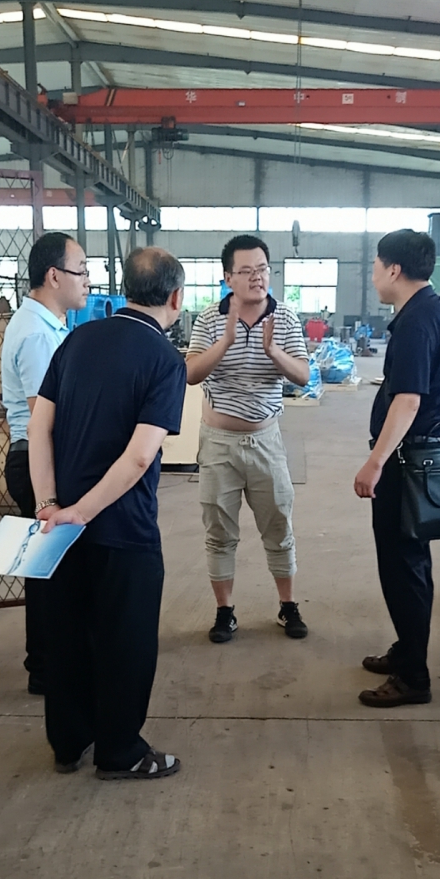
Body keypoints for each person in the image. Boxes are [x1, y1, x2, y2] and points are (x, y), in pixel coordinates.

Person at [28, 247, 186, 780]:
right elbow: (140, 456)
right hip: (123, 528)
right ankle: (120, 752)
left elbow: (38, 426)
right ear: (175, 298)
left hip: (60, 529)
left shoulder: (77, 340)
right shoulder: (165, 359)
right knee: (126, 641)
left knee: (68, 636)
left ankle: (68, 743)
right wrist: (83, 511)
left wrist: (51, 505)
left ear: (124, 288)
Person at [354, 229, 440, 707]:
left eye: (376, 266)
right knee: (410, 564)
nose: (374, 275)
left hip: (407, 460)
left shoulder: (417, 321)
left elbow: (409, 400)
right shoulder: (432, 311)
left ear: (394, 269)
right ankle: (407, 649)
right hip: (419, 456)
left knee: (403, 568)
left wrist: (375, 462)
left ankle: (413, 677)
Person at [186, 234, 311, 643]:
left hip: (266, 442)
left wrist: (273, 351)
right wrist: (225, 341)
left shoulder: (285, 318)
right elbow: (191, 373)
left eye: (262, 269)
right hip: (219, 443)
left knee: (278, 524)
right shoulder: (209, 319)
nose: (257, 277)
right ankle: (225, 612)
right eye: (246, 271)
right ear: (228, 278)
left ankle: (288, 606)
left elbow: (303, 376)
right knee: (219, 531)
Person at [1, 232, 89, 694]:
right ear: (54, 276)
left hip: (43, 459)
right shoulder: (37, 334)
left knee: (49, 569)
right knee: (48, 572)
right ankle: (46, 668)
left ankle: (48, 662)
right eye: (81, 271)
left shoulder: (50, 326)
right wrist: (48, 494)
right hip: (39, 463)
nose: (87, 281)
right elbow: (43, 420)